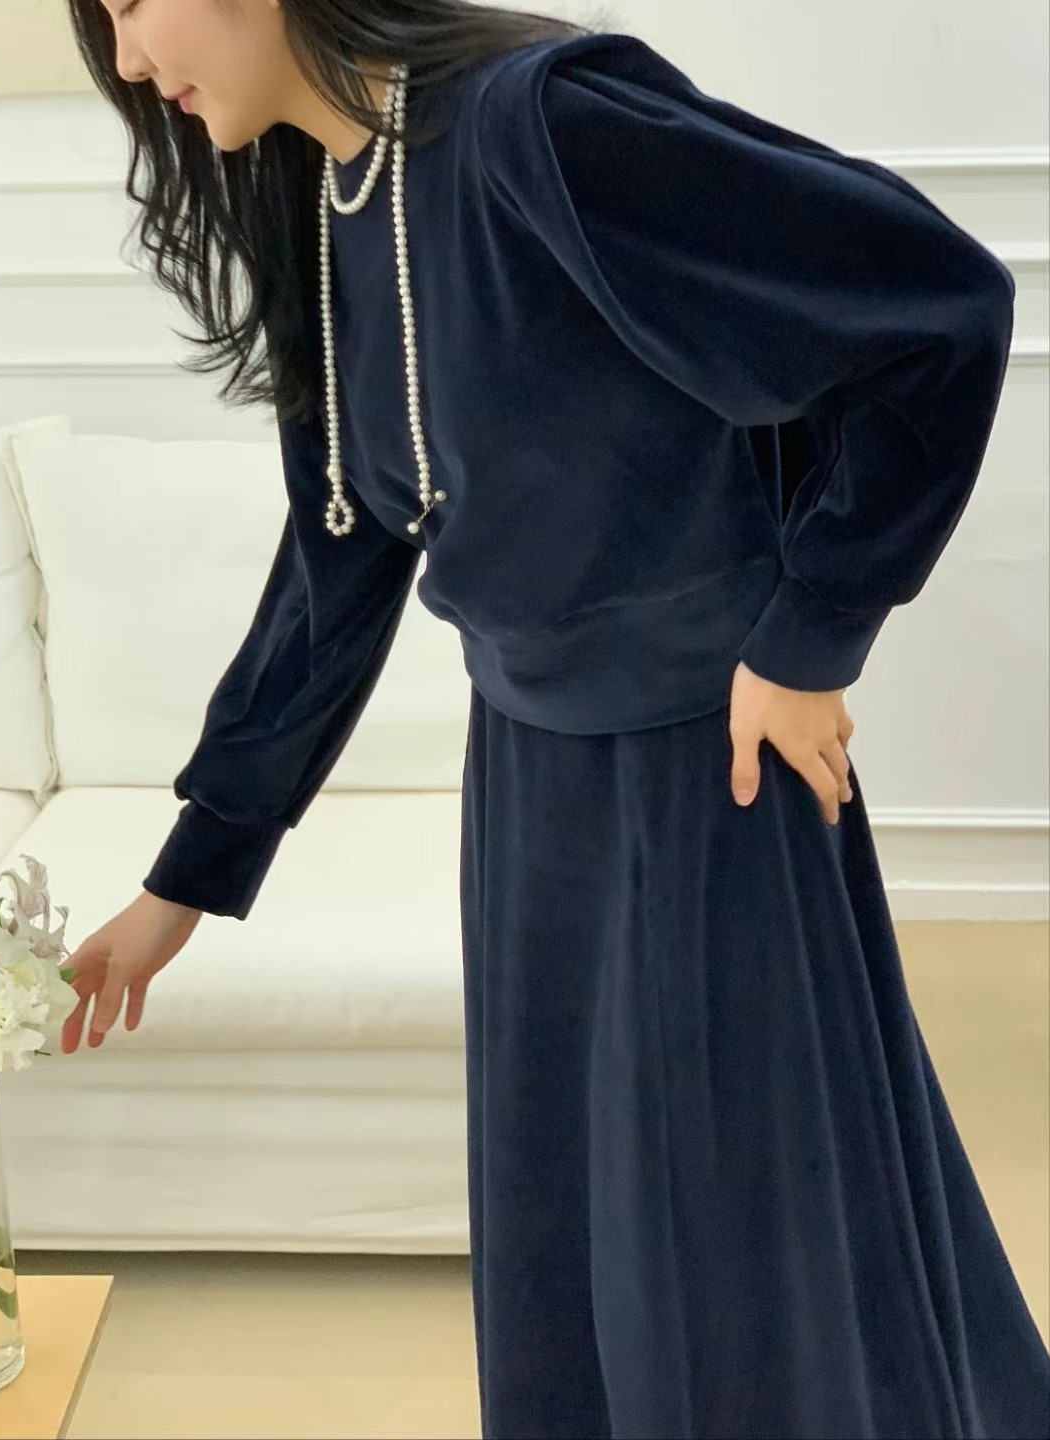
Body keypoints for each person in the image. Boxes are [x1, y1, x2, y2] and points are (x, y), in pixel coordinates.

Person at [59, 2, 1050, 1436]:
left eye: (132, 4)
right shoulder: (323, 199)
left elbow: (939, 304)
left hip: (706, 769)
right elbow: (339, 557)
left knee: (733, 1252)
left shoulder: (544, 123)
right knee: (580, 1249)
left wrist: (811, 634)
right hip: (529, 787)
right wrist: (188, 878)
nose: (131, 62)